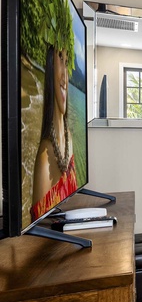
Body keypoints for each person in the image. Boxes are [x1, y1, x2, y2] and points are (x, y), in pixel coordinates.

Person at [30, 41, 77, 222]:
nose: (66, 78)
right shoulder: (45, 159)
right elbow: (38, 230)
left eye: (67, 63)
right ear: (50, 67)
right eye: (60, 59)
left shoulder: (69, 139)